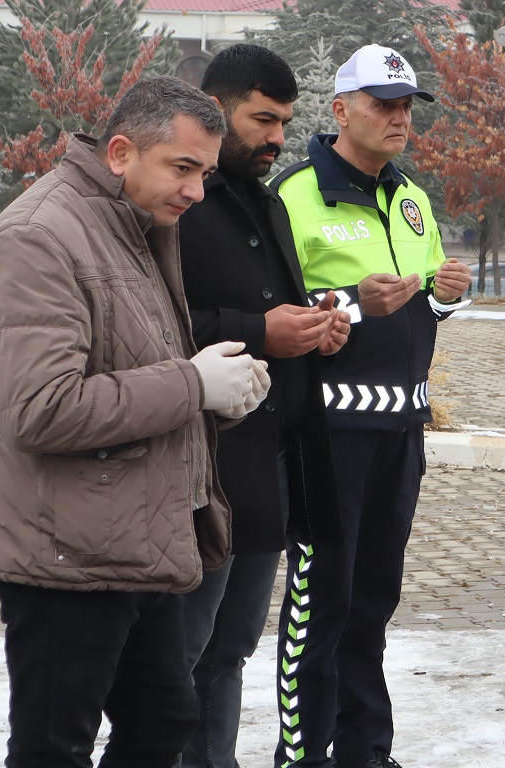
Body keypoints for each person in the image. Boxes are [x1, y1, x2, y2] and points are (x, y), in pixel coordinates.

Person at [0, 77, 270, 767]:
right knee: (53, 748)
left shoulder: (136, 224)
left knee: (165, 722)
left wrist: (217, 400)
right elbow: (44, 410)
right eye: (182, 168)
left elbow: (134, 373)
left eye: (206, 173)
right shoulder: (38, 237)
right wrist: (192, 383)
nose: (196, 191)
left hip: (137, 544)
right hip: (62, 557)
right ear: (122, 151)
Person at [270, 44, 472, 768]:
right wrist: (354, 305)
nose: (398, 117)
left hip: (400, 429)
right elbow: (274, 317)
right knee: (320, 604)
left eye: (406, 104)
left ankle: (364, 750)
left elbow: (424, 311)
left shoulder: (412, 197)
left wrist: (449, 297)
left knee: (373, 601)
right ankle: (301, 756)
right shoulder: (293, 196)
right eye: (382, 103)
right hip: (328, 431)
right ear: (340, 109)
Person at [178, 44, 349, 768]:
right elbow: (157, 326)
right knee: (180, 657)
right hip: (201, 472)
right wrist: (261, 332)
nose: (279, 137)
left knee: (231, 652)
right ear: (216, 109)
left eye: (284, 121)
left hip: (268, 470)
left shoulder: (268, 199)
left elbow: (270, 312)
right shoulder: (177, 205)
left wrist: (318, 326)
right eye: (264, 119)